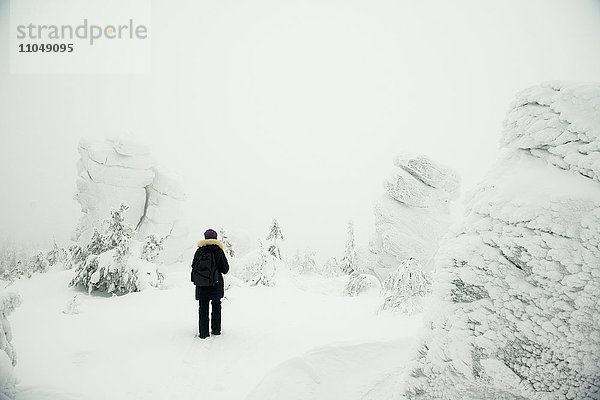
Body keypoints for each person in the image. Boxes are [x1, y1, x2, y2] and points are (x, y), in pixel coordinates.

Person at [191, 229, 230, 339]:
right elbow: (225, 269)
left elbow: (193, 266)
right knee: (216, 305)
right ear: (216, 238)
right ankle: (216, 330)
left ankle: (203, 333)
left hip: (201, 284)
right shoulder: (218, 251)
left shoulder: (199, 251)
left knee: (203, 307)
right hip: (216, 284)